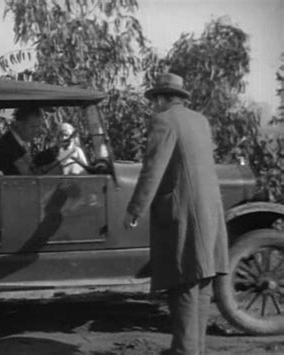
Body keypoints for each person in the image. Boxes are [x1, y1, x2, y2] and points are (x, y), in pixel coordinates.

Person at [123, 73, 229, 355]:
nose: (153, 106)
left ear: (161, 98)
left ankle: (184, 351)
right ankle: (194, 349)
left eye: (154, 100)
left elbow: (153, 169)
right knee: (202, 282)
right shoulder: (200, 121)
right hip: (209, 212)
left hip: (183, 212)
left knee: (182, 284)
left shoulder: (164, 120)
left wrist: (135, 209)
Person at [0, 106, 43, 175]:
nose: (36, 131)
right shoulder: (8, 145)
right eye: (33, 127)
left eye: (38, 126)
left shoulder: (17, 142)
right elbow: (29, 175)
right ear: (19, 124)